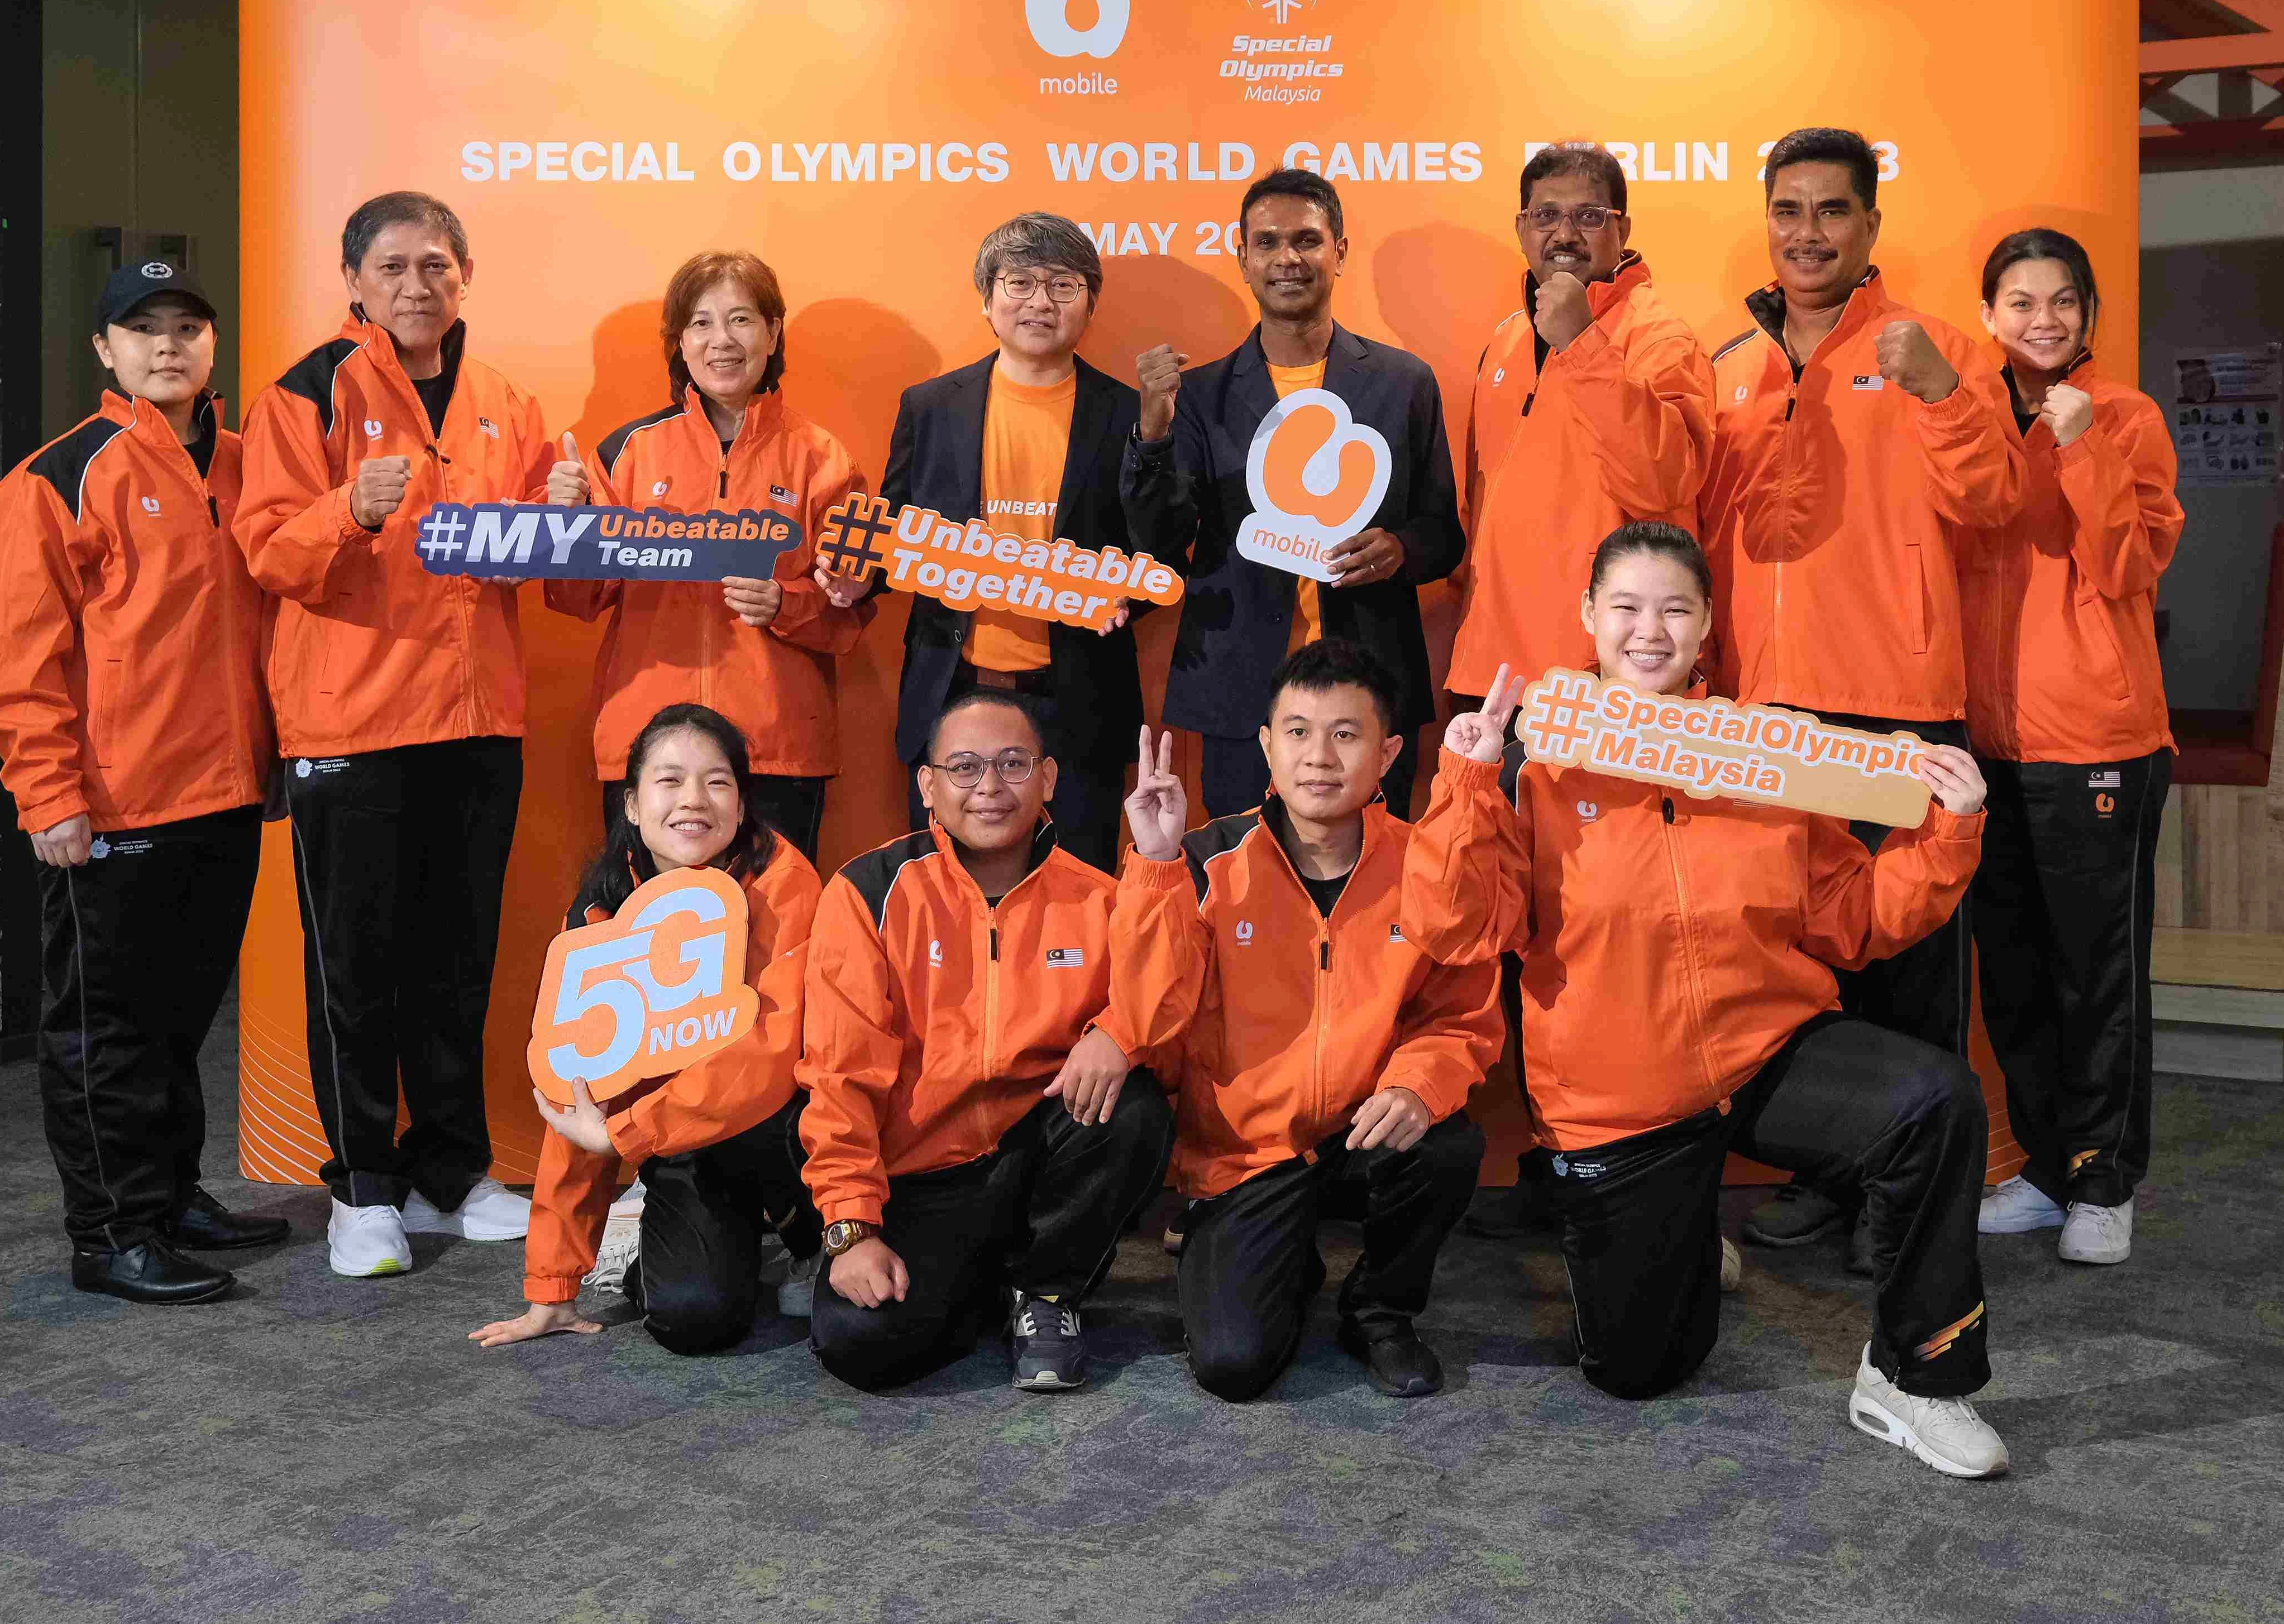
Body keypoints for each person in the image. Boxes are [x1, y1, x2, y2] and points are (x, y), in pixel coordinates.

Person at [1407, 524, 2010, 1479]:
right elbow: (1457, 934)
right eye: (1627, 608)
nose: (1649, 632)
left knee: (1933, 1100)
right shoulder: (1524, 759)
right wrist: (1469, 782)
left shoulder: (1768, 753)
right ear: (1587, 619)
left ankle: (1913, 1380)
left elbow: (1848, 920)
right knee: (1638, 1371)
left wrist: (1950, 830)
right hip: (1618, 1098)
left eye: (1674, 610)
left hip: (1766, 1046)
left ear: (1705, 627)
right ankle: (1679, 1238)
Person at [1700, 128, 2025, 1267]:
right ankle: (1825, 1177)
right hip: (1765, 716)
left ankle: (1909, 1199)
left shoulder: (1933, 349)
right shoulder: (1726, 363)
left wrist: (1940, 398)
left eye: (1831, 211)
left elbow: (1991, 499)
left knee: (1910, 971)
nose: (1806, 234)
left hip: (1893, 708)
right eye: (1787, 210)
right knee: (1795, 968)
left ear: (1868, 228)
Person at [236, 190, 558, 1278]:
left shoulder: (506, 401)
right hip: (352, 723)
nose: (416, 285)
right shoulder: (305, 390)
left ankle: (447, 1173)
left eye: (435, 265)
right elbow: (267, 554)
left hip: (476, 723)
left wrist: (565, 506)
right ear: (355, 282)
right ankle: (361, 1188)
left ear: (463, 276)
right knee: (354, 968)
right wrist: (350, 510)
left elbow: (532, 560)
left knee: (457, 964)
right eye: (392, 268)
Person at [0, 260, 287, 1305]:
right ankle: (111, 1235)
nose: (168, 346)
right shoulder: (57, 477)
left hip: (227, 795)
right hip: (113, 804)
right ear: (105, 351)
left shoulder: (250, 465)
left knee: (179, 1018)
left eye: (187, 328)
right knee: (102, 1028)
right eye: (142, 329)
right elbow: (22, 662)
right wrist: (48, 796)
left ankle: (169, 1196)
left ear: (211, 349)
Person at [1106, 640, 1500, 1400]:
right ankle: (1272, 1249)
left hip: (1365, 1135)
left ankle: (1380, 1308)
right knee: (1233, 1364)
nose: (1319, 756)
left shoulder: (1428, 863)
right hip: (1248, 1153)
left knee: (1449, 1140)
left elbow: (1461, 1014)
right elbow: (1150, 1020)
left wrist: (1419, 1086)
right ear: (1265, 744)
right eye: (1296, 731)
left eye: (1346, 734)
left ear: (1388, 751)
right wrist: (1154, 865)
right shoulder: (1200, 860)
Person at [1443, 143, 1714, 1240]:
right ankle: (1540, 1157)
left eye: (1587, 216)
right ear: (1519, 228)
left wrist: (1582, 347)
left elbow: (1666, 489)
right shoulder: (1502, 341)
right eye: (1543, 215)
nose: (1563, 233)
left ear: (1620, 230)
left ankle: (1611, 1168)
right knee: (1499, 939)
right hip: (1495, 688)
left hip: (1607, 702)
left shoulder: (1659, 338)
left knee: (1610, 952)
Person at [799, 688, 1176, 1393]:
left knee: (1133, 1104)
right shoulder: (868, 891)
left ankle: (1047, 1292)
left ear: (1049, 778)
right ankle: (985, 1285)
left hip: (1037, 1158)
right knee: (860, 1347)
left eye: (1012, 763)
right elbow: (837, 1074)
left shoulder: (1096, 895)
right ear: (928, 785)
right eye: (965, 768)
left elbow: (1168, 997)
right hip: (918, 1175)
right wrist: (851, 1226)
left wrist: (1118, 1032)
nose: (990, 789)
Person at [471, 704, 826, 1354]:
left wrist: (626, 1133)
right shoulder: (601, 908)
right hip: (681, 1141)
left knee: (784, 1113)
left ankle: (811, 1242)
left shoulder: (787, 885)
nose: (693, 800)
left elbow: (770, 1058)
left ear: (743, 803)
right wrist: (552, 1286)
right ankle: (682, 1252)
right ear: (631, 804)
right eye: (669, 781)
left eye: (717, 782)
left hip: (785, 1129)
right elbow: (574, 1089)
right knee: (695, 1320)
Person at [1960, 230, 2181, 1267]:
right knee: (2011, 972)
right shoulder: (1970, 416)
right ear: (1990, 315)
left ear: (2087, 312)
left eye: (2060, 300)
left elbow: (2129, 564)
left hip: (2097, 737)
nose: (2040, 319)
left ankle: (2104, 1178)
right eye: (2018, 301)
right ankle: (2047, 1172)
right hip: (1988, 741)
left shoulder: (2123, 416)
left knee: (2096, 975)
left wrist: (2082, 442)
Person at [1127, 168, 1463, 818]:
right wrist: (1151, 432)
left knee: (1375, 887)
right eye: (1268, 242)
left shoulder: (1403, 383)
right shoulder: (1199, 396)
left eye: (1307, 241)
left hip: (1370, 687)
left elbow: (1443, 534)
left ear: (1339, 251)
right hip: (1239, 690)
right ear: (1243, 258)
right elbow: (1159, 540)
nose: (1287, 259)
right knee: (1239, 882)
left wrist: (1399, 548)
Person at [545, 252, 871, 865]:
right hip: (648, 756)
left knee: (776, 943)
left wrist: (785, 603)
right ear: (679, 344)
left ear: (773, 333)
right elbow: (574, 598)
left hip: (775, 751)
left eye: (741, 320)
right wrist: (565, 524)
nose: (721, 340)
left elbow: (849, 615)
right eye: (700, 323)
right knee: (644, 947)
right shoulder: (625, 453)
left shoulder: (822, 458)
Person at [856, 214, 1144, 873]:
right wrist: (856, 580)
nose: (1039, 302)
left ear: (1089, 303)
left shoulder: (1126, 414)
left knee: (1079, 889)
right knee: (942, 894)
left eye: (1062, 286)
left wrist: (1124, 597)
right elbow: (894, 531)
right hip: (952, 689)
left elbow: (1156, 547)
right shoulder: (930, 406)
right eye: (1019, 283)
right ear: (988, 301)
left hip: (1075, 698)